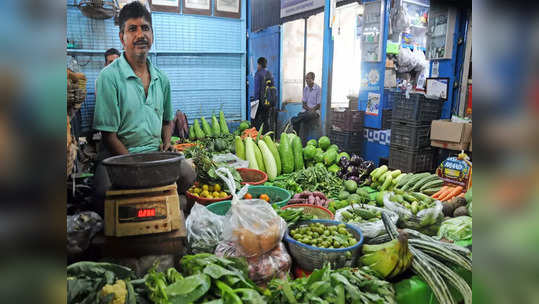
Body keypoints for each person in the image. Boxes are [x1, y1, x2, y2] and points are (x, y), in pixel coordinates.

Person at [92, 1, 194, 214]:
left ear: (152, 35)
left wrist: (166, 143)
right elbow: (109, 136)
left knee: (189, 176)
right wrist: (135, 166)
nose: (140, 34)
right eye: (133, 29)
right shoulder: (109, 77)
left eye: (145, 28)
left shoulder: (162, 79)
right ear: (122, 38)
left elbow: (168, 120)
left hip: (154, 154)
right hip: (117, 158)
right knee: (103, 196)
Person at [292, 72, 321, 140]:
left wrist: (312, 110)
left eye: (308, 78)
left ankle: (295, 119)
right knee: (302, 118)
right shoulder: (305, 89)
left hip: (315, 111)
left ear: (313, 79)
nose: (306, 80)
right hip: (307, 111)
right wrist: (309, 109)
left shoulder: (318, 89)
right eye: (306, 78)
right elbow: (304, 104)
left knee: (297, 118)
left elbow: (318, 105)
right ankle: (296, 138)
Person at [253, 57, 276, 131]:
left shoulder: (258, 74)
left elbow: (257, 89)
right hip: (269, 101)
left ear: (259, 64)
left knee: (255, 120)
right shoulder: (269, 73)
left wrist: (256, 100)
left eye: (258, 64)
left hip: (261, 101)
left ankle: (256, 136)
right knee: (266, 120)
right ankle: (268, 137)